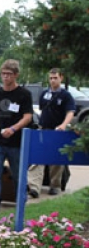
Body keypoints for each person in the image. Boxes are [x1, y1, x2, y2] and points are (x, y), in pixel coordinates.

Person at [0, 59, 33, 216]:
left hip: (16, 141)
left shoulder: (24, 94)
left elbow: (28, 117)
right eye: (3, 74)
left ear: (16, 75)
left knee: (18, 175)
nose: (5, 77)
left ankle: (21, 204)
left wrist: (13, 129)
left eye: (9, 74)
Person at [27, 68, 75, 197]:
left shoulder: (66, 95)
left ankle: (55, 186)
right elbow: (42, 110)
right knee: (38, 158)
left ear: (61, 78)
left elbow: (70, 112)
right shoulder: (44, 94)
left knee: (56, 160)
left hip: (58, 131)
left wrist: (63, 125)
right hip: (43, 130)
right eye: (51, 78)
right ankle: (34, 187)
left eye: (55, 78)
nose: (53, 80)